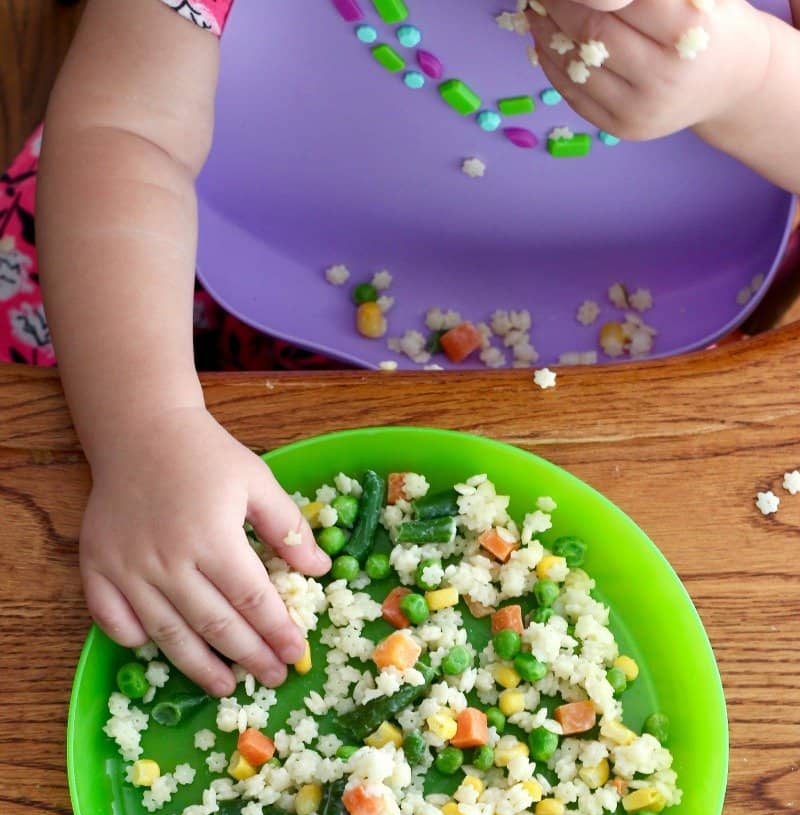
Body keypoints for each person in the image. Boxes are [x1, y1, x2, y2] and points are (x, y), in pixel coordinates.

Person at [1, 0, 798, 696]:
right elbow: (122, 129)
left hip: (643, 389)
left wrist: (754, 79)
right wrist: (146, 430)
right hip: (199, 337)